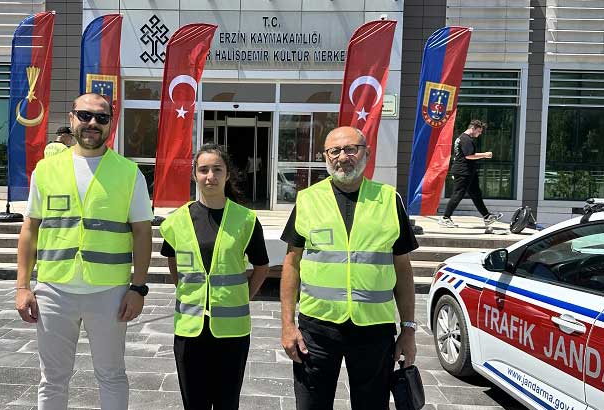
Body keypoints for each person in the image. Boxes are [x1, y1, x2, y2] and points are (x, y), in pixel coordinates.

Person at [16, 93, 153, 410]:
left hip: (110, 292)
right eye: (85, 115)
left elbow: (142, 233)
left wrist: (138, 287)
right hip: (54, 290)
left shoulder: (128, 173)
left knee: (112, 375)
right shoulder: (46, 171)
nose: (92, 123)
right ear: (72, 117)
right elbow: (30, 229)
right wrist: (23, 286)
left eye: (101, 118)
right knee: (52, 379)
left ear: (110, 123)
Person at [279, 126, 418, 409]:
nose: (343, 157)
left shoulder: (390, 200)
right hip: (317, 329)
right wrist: (287, 325)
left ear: (366, 153)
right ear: (326, 157)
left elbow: (403, 270)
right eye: (335, 151)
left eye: (351, 149)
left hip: (374, 330)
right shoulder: (307, 199)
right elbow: (292, 263)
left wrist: (409, 329)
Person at [159, 143, 270, 410]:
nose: (210, 176)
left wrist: (243, 296)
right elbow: (172, 260)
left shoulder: (246, 219)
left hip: (232, 331)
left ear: (227, 174)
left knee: (227, 402)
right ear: (194, 175)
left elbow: (262, 266)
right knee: (193, 402)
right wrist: (187, 290)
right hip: (189, 328)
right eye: (204, 170)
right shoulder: (176, 220)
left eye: (217, 169)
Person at [439, 119, 503, 228]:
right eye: (479, 131)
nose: (480, 133)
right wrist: (485, 155)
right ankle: (445, 218)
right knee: (458, 194)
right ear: (472, 128)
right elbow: (468, 156)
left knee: (476, 194)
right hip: (463, 171)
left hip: (469, 171)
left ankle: (487, 217)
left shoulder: (463, 138)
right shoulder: (465, 139)